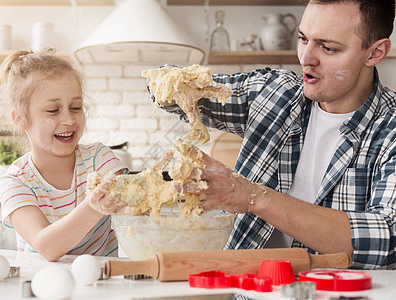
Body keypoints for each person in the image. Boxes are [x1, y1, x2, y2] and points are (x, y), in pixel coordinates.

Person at [147, 0, 396, 269]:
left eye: (328, 47)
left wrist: (252, 196)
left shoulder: (389, 128)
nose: (305, 58)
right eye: (303, 39)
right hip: (241, 292)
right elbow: (181, 91)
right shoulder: (272, 93)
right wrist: (167, 83)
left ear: (375, 53)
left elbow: (386, 238)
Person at [0, 49, 127, 261]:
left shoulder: (99, 159)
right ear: (20, 118)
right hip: (41, 286)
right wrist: (94, 207)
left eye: (75, 107)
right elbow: (46, 246)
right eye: (53, 110)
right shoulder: (15, 182)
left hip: (100, 287)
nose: (69, 119)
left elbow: (135, 205)